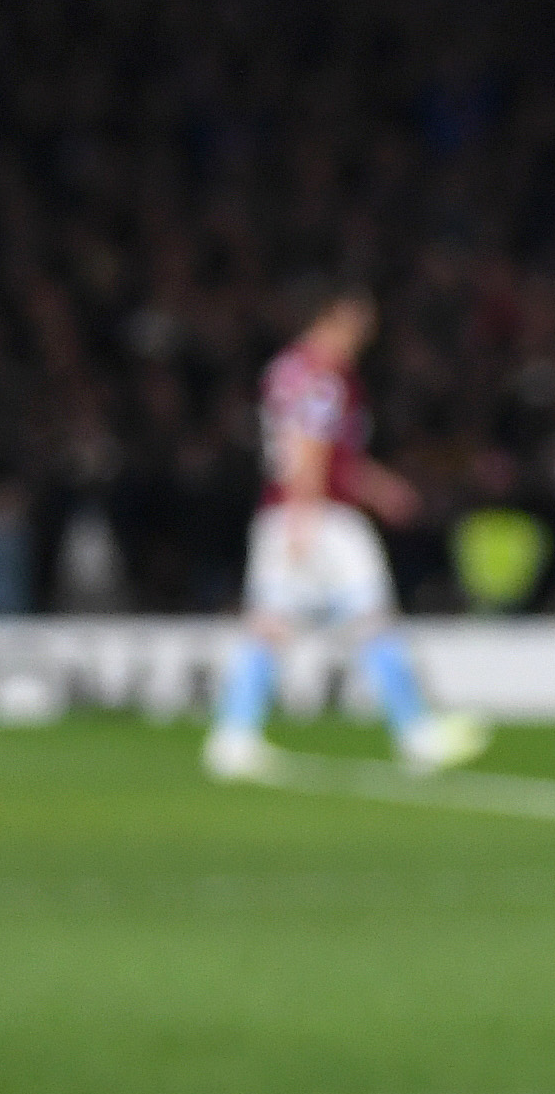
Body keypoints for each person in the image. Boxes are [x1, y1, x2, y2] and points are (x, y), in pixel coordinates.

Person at [203, 281, 487, 781]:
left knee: (269, 623)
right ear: (331, 317)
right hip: (320, 515)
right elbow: (308, 446)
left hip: (287, 509)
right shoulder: (323, 377)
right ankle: (416, 733)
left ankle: (233, 736)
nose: (363, 335)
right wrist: (304, 515)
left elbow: (326, 452)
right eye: (357, 323)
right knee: (372, 618)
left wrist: (379, 489)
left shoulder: (285, 369)